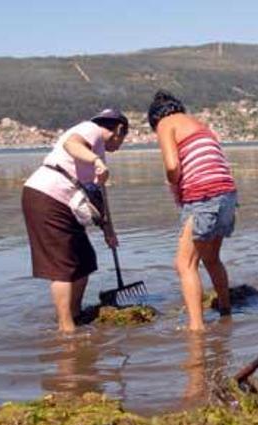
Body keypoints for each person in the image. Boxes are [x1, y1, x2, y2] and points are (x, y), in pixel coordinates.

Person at [22, 109, 128, 332]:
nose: (120, 145)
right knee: (64, 266)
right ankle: (66, 328)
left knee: (84, 260)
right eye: (122, 139)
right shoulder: (91, 130)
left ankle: (75, 314)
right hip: (47, 197)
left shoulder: (98, 149)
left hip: (64, 203)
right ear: (118, 129)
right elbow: (72, 144)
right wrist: (96, 161)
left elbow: (99, 197)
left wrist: (109, 230)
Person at [148, 91, 238, 331]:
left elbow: (172, 165)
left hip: (203, 194)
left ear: (155, 119)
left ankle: (196, 328)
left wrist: (173, 183)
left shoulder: (165, 124)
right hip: (227, 193)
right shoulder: (200, 125)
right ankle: (226, 312)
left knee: (184, 264)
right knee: (211, 258)